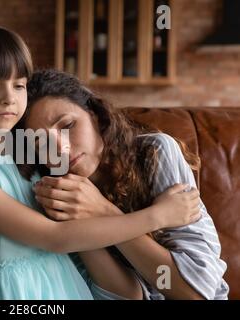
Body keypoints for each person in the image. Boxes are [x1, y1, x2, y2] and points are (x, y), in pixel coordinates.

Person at [0, 24, 201, 300]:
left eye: (20, 85)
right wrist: (158, 216)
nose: (9, 98)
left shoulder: (33, 160)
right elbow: (55, 236)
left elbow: (127, 292)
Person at [22, 69, 229, 300]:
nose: (61, 149)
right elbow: (129, 297)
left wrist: (103, 211)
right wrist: (85, 219)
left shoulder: (154, 153)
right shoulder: (57, 197)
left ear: (95, 116)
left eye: (68, 125)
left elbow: (193, 293)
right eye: (41, 143)